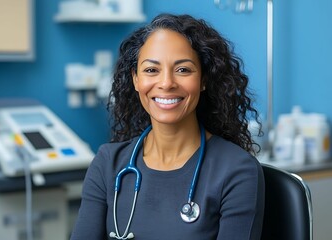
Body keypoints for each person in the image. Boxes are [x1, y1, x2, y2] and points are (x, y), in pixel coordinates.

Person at [71, 13, 264, 240]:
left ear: (203, 80)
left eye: (183, 70)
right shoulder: (108, 164)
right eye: (152, 70)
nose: (166, 83)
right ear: (135, 79)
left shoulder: (236, 170)